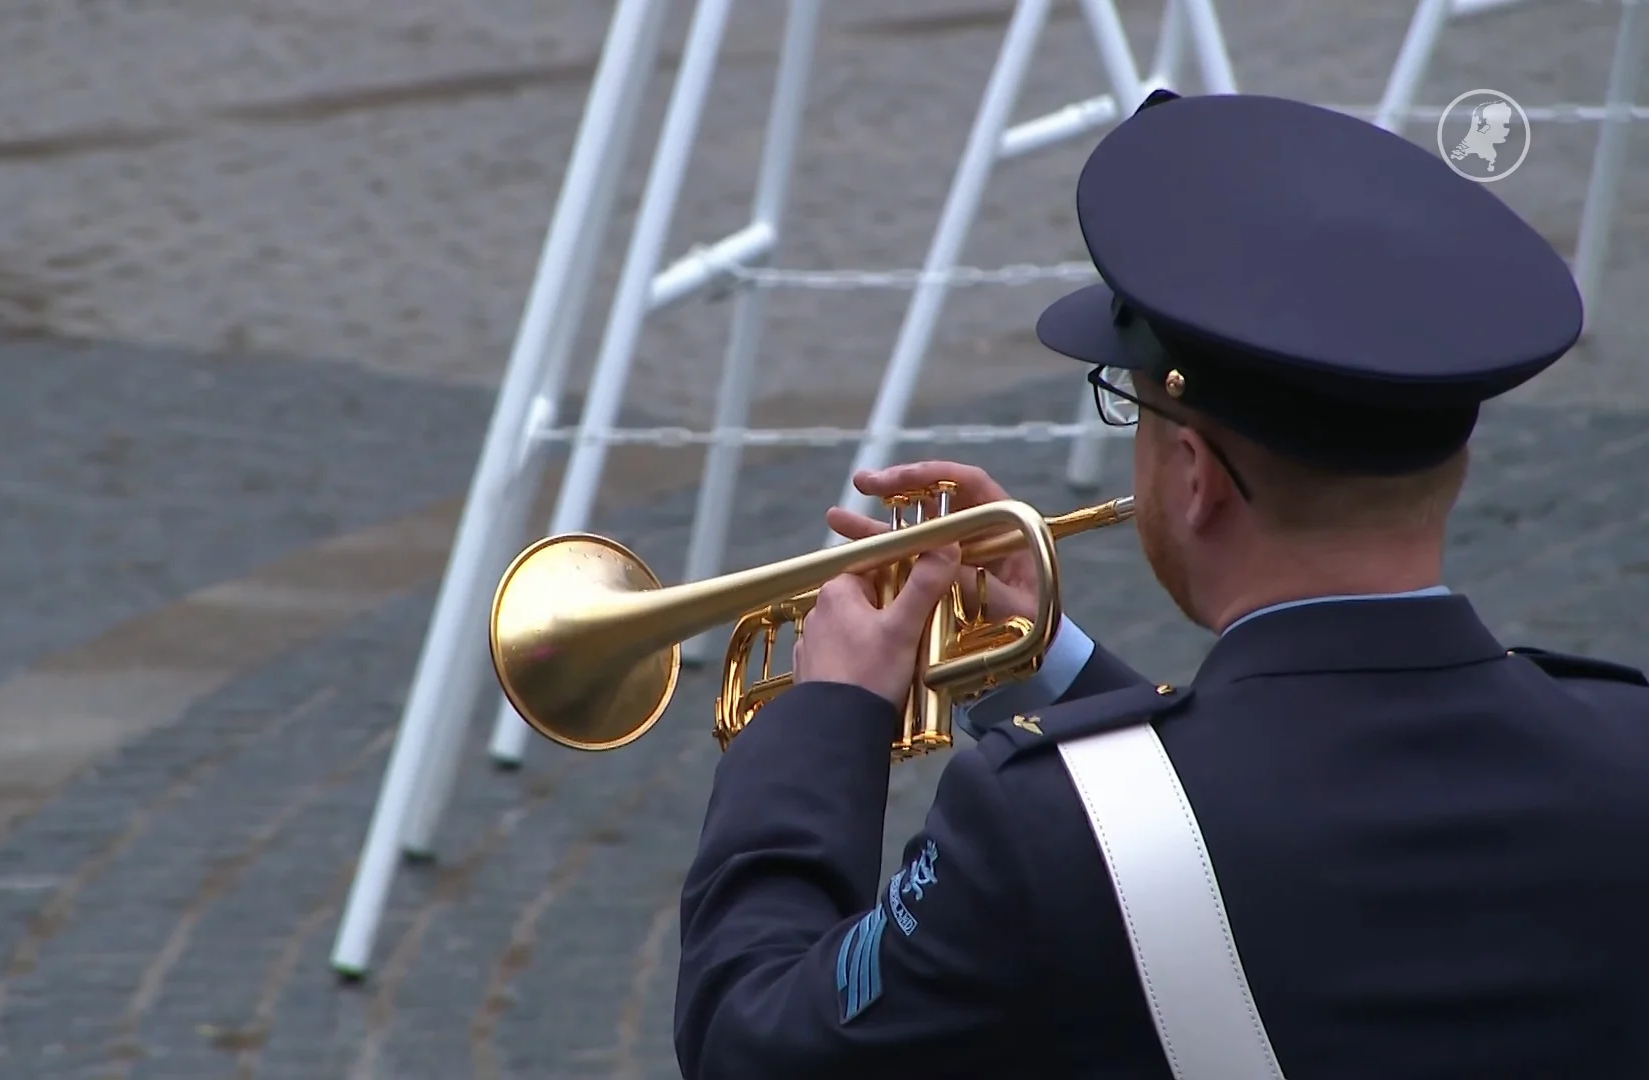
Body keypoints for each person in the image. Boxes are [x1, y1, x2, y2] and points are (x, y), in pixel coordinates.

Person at [672, 89, 1649, 1080]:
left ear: (1193, 476)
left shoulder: (1035, 831)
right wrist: (1039, 666)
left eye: (1131, 409)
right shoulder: (1626, 744)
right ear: (1456, 462)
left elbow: (754, 1045)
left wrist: (822, 718)